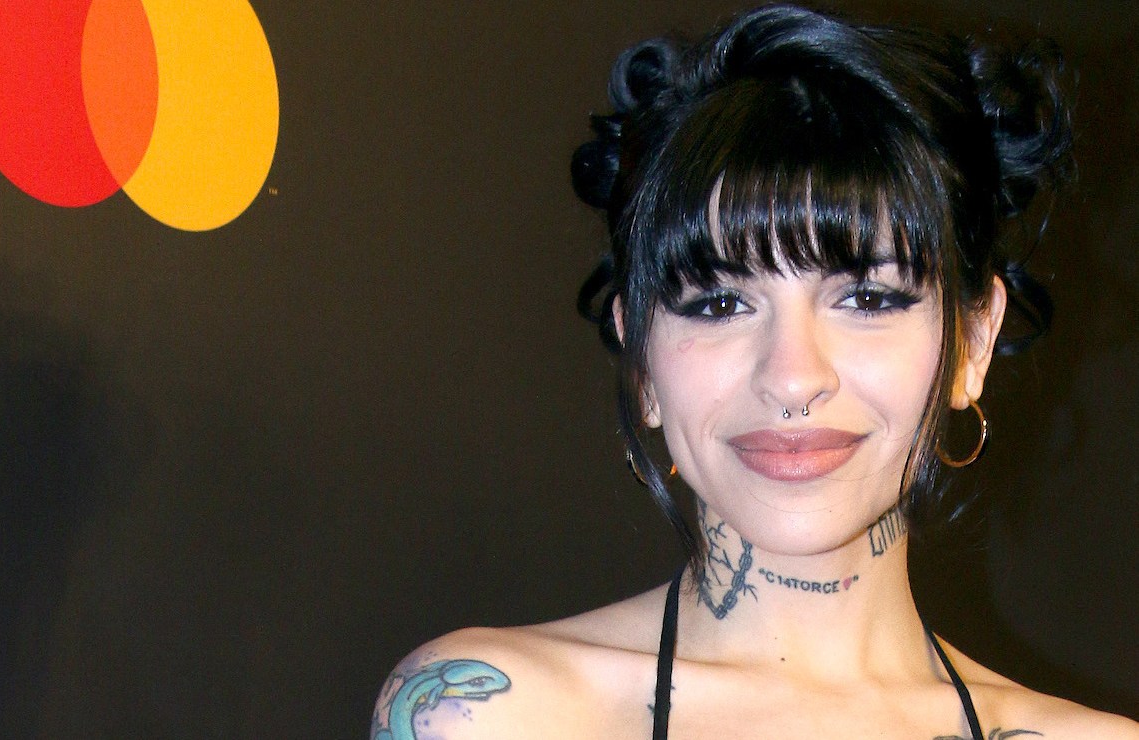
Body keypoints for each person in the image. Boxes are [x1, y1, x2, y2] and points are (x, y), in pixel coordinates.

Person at [371, 5, 1139, 738]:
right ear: (641, 362)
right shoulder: (483, 713)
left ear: (973, 343)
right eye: (719, 305)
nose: (793, 377)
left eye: (867, 298)